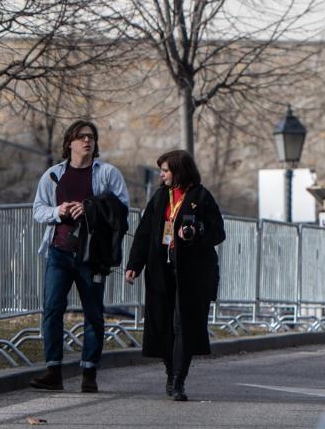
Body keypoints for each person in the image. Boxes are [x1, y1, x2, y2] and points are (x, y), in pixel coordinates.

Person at [30, 120, 130, 393]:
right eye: (82, 137)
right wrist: (58, 211)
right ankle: (53, 371)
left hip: (91, 255)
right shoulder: (53, 175)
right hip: (58, 252)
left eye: (91, 137)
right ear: (70, 143)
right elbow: (38, 210)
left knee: (94, 313)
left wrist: (90, 209)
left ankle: (89, 372)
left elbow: (122, 210)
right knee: (52, 309)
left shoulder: (108, 174)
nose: (87, 141)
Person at [126, 150, 225, 401]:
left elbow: (218, 232)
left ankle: (179, 380)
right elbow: (145, 232)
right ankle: (170, 371)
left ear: (179, 171)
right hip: (162, 269)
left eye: (166, 170)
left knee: (185, 325)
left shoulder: (201, 197)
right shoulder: (160, 197)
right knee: (162, 324)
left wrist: (196, 232)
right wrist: (134, 265)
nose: (162, 174)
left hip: (192, 273)